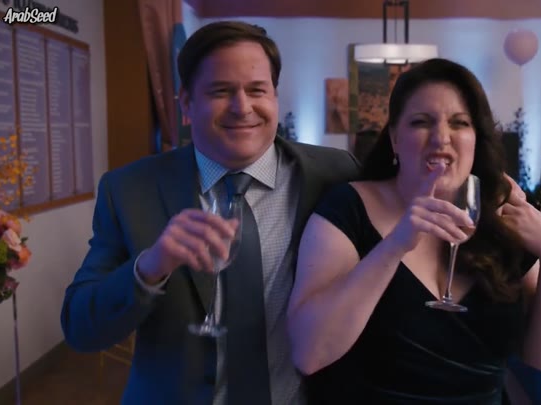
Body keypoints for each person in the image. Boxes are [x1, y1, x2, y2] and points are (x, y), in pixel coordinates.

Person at [60, 21, 361, 404]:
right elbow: (81, 329)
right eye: (221, 91)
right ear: (186, 103)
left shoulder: (334, 174)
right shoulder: (130, 190)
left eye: (257, 90)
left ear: (275, 96)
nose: (242, 107)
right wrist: (149, 268)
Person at [286, 58, 541, 404]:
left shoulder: (501, 217)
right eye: (421, 122)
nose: (441, 138)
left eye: (459, 123)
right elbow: (309, 353)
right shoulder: (348, 208)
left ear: (476, 138)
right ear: (394, 138)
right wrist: (394, 245)